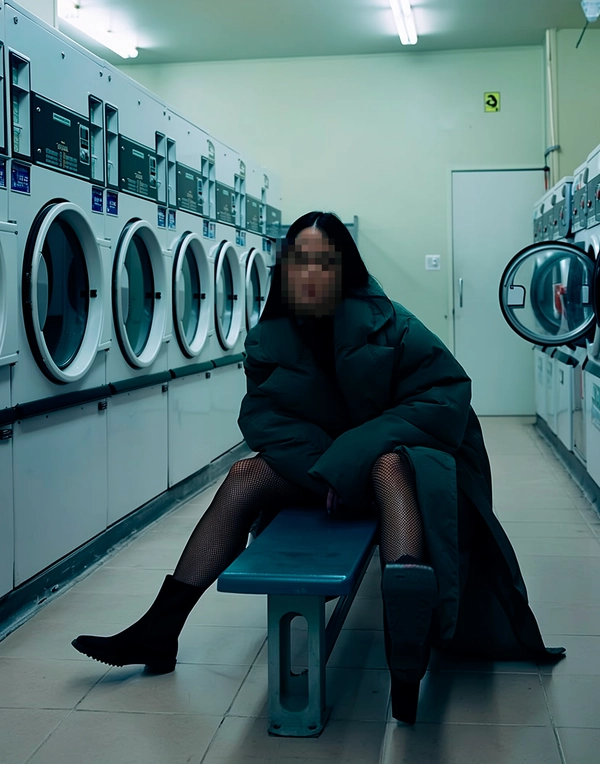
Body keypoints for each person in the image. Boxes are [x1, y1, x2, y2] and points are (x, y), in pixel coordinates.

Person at [72, 211, 565, 725]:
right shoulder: (270, 338)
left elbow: (445, 395)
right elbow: (265, 418)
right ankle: (161, 628)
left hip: (392, 473)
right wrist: (329, 469)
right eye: (299, 262)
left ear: (344, 269)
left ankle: (406, 651)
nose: (310, 274)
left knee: (389, 465)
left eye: (324, 262)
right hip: (321, 475)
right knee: (244, 476)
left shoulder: (392, 324)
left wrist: (349, 458)